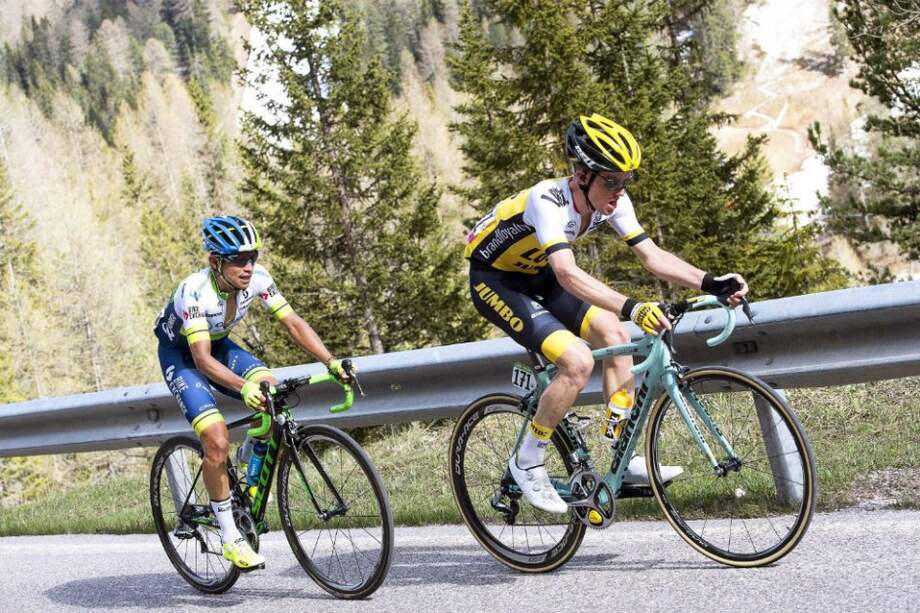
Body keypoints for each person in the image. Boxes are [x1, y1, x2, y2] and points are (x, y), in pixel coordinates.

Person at [464, 113, 748, 513]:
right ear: (582, 175)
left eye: (625, 181)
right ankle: (527, 460)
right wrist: (634, 306)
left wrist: (711, 282)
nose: (619, 190)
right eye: (611, 181)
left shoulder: (612, 201)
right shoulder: (548, 200)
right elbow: (567, 273)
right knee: (577, 362)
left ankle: (621, 456)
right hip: (497, 282)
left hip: (540, 276)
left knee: (617, 336)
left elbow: (651, 256)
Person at [154, 215, 349, 569]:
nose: (248, 267)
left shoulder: (258, 278)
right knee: (216, 440)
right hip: (184, 356)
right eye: (239, 260)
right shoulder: (195, 291)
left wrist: (331, 361)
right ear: (216, 261)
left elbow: (293, 323)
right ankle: (231, 537)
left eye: (253, 257)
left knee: (272, 392)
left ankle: (249, 456)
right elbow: (201, 359)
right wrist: (243, 388)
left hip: (219, 345)